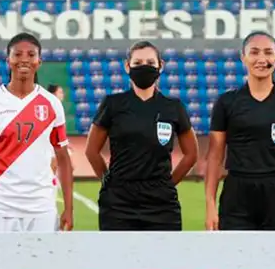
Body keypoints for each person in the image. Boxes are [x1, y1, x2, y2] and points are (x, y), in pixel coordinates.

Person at [0, 32, 74, 233]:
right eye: (18, 54)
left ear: (39, 61)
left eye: (31, 55)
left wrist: (69, 208)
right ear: (8, 60)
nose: (24, 60)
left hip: (41, 206)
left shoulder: (52, 103)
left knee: (42, 265)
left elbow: (62, 157)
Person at [204, 31, 275, 231]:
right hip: (238, 192)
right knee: (236, 258)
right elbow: (214, 155)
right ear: (243, 57)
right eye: (254, 52)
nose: (261, 59)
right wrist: (210, 204)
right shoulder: (227, 102)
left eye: (268, 53)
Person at [85, 41, 199, 230]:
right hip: (118, 201)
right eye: (137, 63)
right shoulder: (113, 104)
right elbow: (91, 151)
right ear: (127, 66)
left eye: (150, 62)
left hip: (161, 203)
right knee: (117, 258)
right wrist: (108, 181)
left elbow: (191, 154)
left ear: (160, 66)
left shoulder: (173, 107)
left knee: (164, 258)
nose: (144, 67)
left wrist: (168, 184)